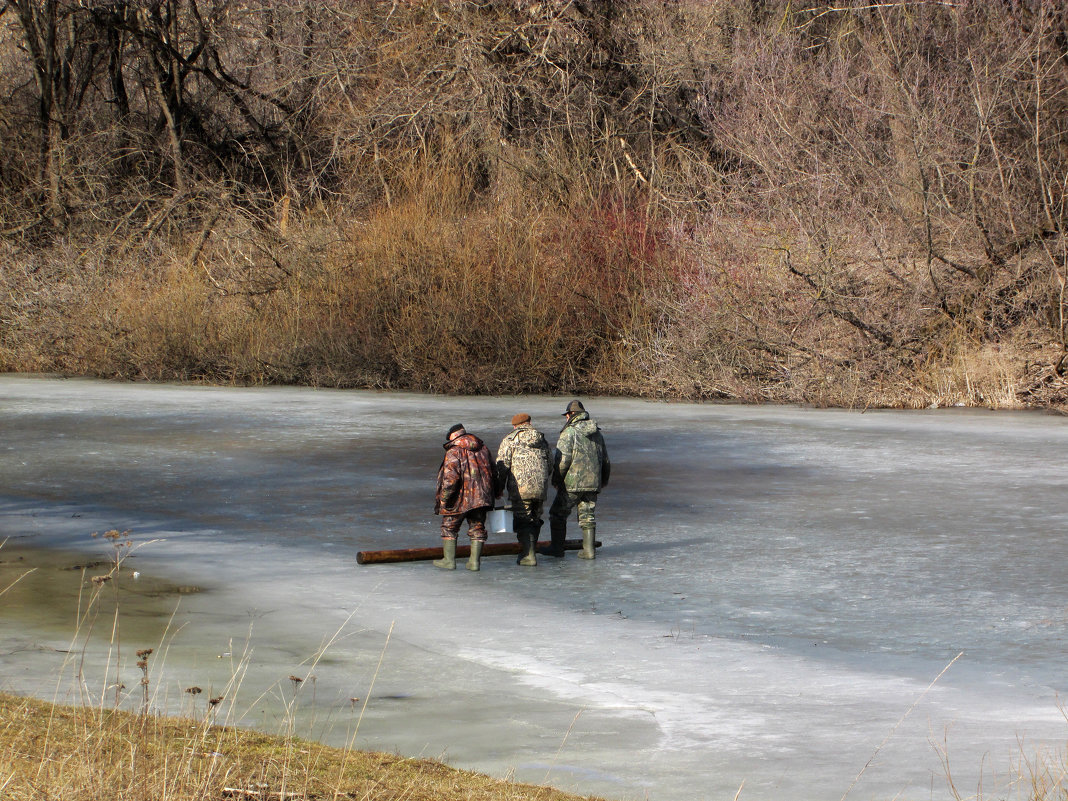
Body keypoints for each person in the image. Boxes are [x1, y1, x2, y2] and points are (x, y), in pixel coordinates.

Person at [549, 400, 610, 559]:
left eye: (566, 415)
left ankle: (557, 548)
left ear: (570, 415)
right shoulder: (597, 433)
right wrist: (603, 480)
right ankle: (589, 551)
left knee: (557, 514)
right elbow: (605, 460)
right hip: (592, 482)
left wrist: (556, 479)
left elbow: (562, 461)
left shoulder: (569, 433)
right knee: (588, 516)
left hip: (572, 483)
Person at [433, 423, 496, 571]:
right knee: (477, 528)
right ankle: (474, 562)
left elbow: (450, 479)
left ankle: (449, 561)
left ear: (454, 437)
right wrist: (497, 491)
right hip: (481, 498)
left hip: (460, 499)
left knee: (449, 527)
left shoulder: (454, 452)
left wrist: (444, 499)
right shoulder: (483, 449)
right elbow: (494, 472)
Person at [495, 413, 552, 567]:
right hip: (540, 487)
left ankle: (528, 555)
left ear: (515, 426)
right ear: (529, 423)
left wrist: (498, 488)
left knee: (523, 519)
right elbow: (550, 463)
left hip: (520, 488)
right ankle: (531, 551)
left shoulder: (510, 440)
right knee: (535, 517)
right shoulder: (542, 439)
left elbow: (502, 467)